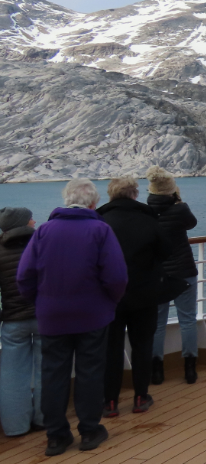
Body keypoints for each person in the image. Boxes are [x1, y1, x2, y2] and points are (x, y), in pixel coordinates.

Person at [17, 179, 128, 456]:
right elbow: (116, 276)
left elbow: (24, 276)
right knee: (90, 372)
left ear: (66, 200)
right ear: (93, 203)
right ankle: (90, 431)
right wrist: (108, 302)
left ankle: (56, 437)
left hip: (52, 315)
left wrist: (41, 302)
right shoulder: (100, 230)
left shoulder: (43, 231)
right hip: (93, 314)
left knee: (53, 374)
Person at [97, 176, 170, 418]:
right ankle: (140, 397)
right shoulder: (148, 218)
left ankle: (109, 402)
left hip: (109, 296)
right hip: (144, 294)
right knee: (142, 346)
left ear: (110, 194)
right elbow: (165, 251)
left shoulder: (100, 220)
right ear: (135, 194)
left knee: (111, 349)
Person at [146, 166, 199, 386]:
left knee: (158, 324)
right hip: (184, 271)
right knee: (187, 320)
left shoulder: (145, 211)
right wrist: (178, 201)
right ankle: (190, 368)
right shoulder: (181, 209)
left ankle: (157, 370)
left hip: (158, 273)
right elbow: (192, 224)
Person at [0, 208, 43, 437]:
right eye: (30, 218)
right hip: (43, 317)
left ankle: (15, 426)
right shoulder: (41, 245)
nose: (34, 220)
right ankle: (44, 418)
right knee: (47, 368)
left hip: (13, 320)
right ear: (23, 223)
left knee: (12, 374)